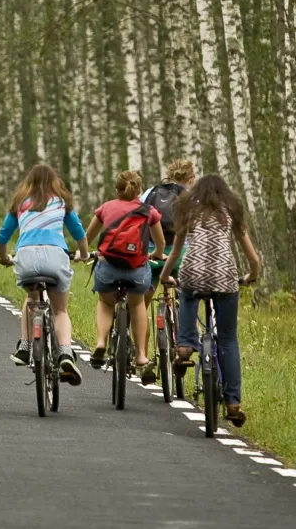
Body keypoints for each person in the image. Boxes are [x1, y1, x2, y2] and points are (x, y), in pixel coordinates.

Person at [159, 173, 260, 427]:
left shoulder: (188, 211)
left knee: (188, 293)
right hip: (224, 275)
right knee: (227, 337)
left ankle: (184, 346)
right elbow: (254, 259)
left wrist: (164, 276)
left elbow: (175, 251)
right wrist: (251, 276)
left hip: (193, 272)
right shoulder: (230, 212)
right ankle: (233, 403)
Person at [0, 163, 89, 385]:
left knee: (30, 298)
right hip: (55, 256)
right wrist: (83, 255)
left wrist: (4, 258)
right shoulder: (61, 202)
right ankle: (65, 353)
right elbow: (79, 234)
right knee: (60, 310)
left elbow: (2, 237)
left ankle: (26, 347)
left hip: (25, 257)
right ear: (54, 182)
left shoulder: (20, 203)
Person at [85, 170, 165, 373]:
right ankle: (140, 355)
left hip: (109, 267)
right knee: (137, 303)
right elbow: (160, 243)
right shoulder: (149, 211)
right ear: (139, 190)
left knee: (105, 302)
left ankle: (101, 342)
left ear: (117, 189)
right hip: (136, 270)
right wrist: (156, 254)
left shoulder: (105, 208)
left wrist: (84, 253)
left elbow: (87, 238)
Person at [137, 158, 196, 381]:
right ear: (190, 178)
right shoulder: (192, 197)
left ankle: (141, 354)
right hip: (180, 256)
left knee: (140, 306)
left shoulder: (150, 192)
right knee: (186, 300)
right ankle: (182, 345)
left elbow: (138, 219)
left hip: (152, 255)